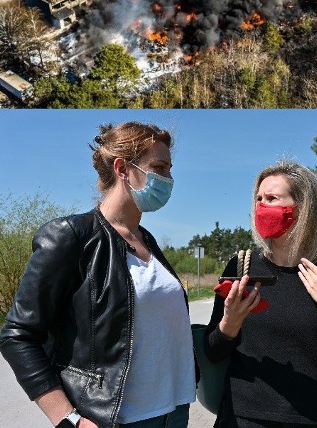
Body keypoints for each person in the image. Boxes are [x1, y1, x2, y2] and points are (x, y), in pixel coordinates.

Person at [0, 122, 195, 428]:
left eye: (170, 169)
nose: (168, 179)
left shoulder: (146, 240)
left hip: (174, 411)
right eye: (159, 167)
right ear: (122, 169)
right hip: (117, 418)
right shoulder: (72, 236)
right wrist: (68, 419)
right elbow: (18, 334)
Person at [204, 160, 317, 428]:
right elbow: (213, 351)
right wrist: (229, 323)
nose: (261, 206)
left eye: (272, 198)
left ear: (301, 208)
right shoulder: (241, 267)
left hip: (312, 417)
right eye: (258, 199)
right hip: (242, 417)